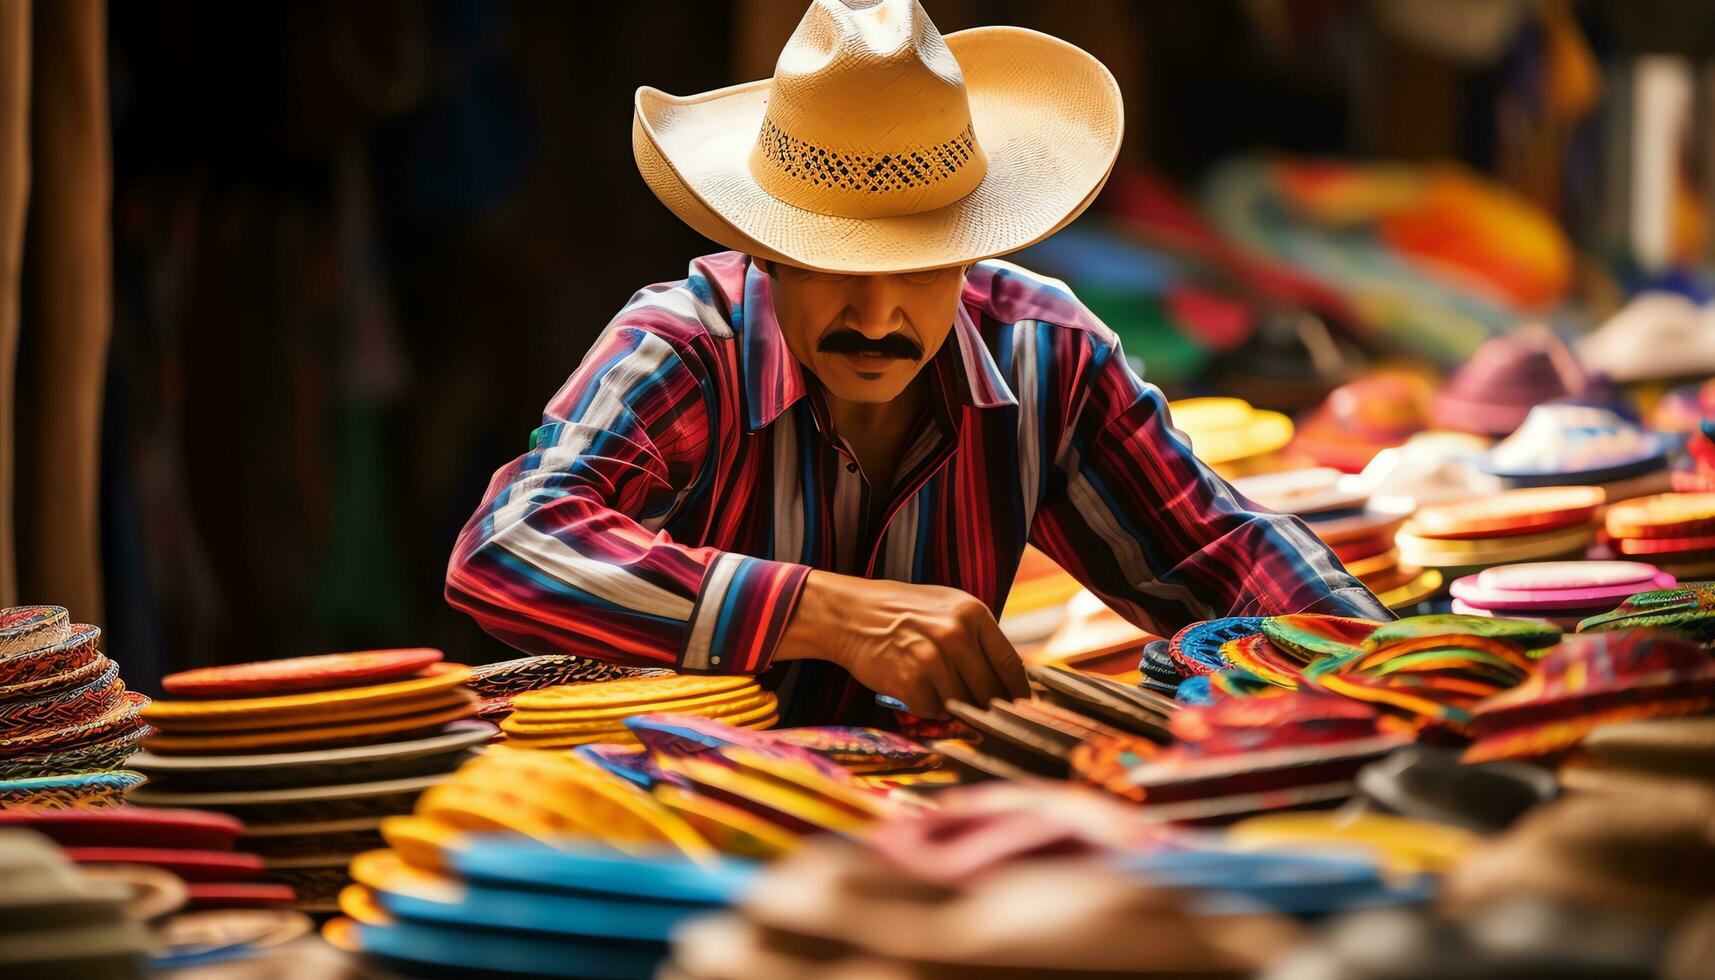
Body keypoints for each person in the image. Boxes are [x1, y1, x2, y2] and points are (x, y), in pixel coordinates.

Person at [446, 0, 1388, 725]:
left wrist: (1402, 666)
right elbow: (505, 549)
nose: (877, 312)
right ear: (763, 251)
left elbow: (1214, 551)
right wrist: (822, 613)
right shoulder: (687, 349)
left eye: (922, 267)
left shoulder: (1044, 355)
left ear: (974, 252)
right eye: (830, 267)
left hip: (917, 827)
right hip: (662, 836)